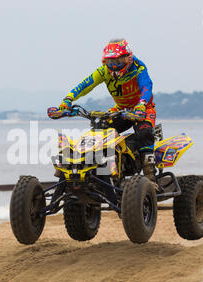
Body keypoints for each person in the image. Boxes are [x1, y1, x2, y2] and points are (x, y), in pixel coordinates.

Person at [58, 38, 158, 183]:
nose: (114, 66)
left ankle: (150, 177)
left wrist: (142, 103)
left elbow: (146, 86)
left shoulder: (139, 68)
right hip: (120, 110)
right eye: (110, 62)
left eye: (118, 62)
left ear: (128, 58)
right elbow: (86, 84)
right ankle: (98, 173)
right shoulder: (104, 71)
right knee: (99, 129)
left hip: (143, 109)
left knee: (144, 133)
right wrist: (68, 99)